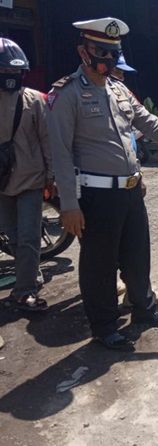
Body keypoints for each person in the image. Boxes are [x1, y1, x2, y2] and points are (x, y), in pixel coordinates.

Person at [47, 18, 158, 350]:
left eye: (113, 53)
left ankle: (144, 309)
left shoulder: (118, 89)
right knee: (99, 264)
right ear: (84, 51)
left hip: (131, 190)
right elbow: (59, 154)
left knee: (137, 255)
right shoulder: (67, 94)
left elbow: (152, 125)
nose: (107, 59)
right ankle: (105, 327)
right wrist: (68, 204)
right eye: (102, 52)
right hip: (95, 196)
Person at [109, 55, 158, 309]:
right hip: (100, 189)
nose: (121, 78)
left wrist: (138, 176)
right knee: (108, 246)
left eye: (122, 73)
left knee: (133, 247)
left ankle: (134, 295)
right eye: (117, 72)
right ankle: (113, 295)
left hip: (129, 181)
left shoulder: (121, 95)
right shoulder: (77, 96)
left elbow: (131, 143)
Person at [0, 38, 52, 312]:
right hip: (2, 183)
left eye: (15, 71)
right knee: (14, 236)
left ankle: (24, 291)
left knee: (30, 236)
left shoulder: (34, 100)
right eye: (5, 71)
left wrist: (51, 176)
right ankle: (30, 274)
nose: (11, 76)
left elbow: (48, 140)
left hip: (31, 179)